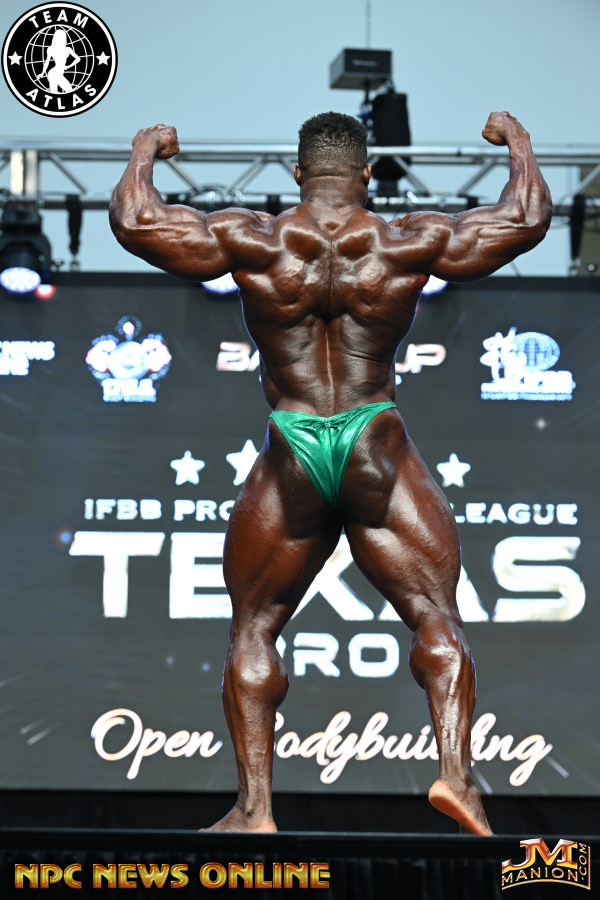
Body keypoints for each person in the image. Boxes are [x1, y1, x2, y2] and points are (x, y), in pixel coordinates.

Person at [110, 110, 551, 835]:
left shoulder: (253, 238)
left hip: (293, 442)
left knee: (255, 625)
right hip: (374, 440)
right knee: (435, 616)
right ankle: (457, 778)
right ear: (367, 174)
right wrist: (519, 144)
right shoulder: (406, 240)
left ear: (297, 173)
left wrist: (145, 150)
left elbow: (136, 221)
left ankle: (255, 809)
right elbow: (525, 219)